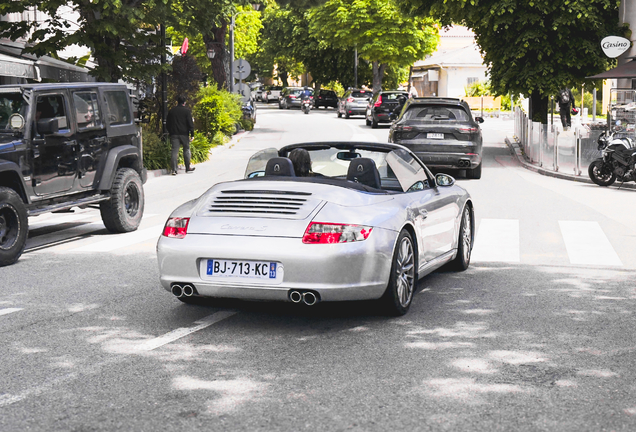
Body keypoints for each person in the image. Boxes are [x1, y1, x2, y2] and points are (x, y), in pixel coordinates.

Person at [166, 95, 195, 175]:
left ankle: (174, 170)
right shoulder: (186, 111)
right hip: (184, 134)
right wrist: (192, 134)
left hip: (174, 134)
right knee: (186, 150)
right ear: (184, 103)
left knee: (174, 151)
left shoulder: (172, 111)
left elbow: (167, 123)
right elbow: (190, 123)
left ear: (177, 102)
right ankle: (187, 167)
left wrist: (170, 131)